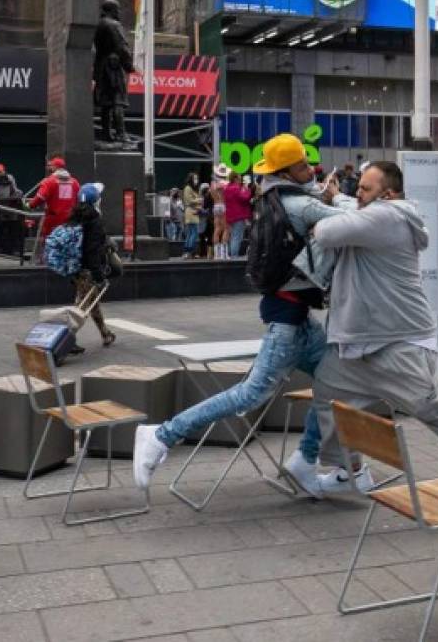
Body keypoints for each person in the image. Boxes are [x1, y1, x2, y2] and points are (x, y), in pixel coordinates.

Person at [133, 133, 357, 495]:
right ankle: (160, 436)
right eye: (302, 165)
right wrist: (339, 194)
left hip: (296, 317)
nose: (309, 168)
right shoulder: (302, 205)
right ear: (286, 170)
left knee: (338, 382)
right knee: (249, 395)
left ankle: (306, 461)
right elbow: (357, 218)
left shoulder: (274, 195)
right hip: (287, 320)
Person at [307, 161, 438, 537]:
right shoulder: (374, 214)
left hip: (399, 343)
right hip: (358, 343)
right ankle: (350, 471)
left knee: (436, 410)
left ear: (389, 195)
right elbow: (348, 211)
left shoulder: (388, 218)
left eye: (367, 190)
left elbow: (325, 231)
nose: (360, 194)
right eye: (359, 188)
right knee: (327, 393)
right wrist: (338, 195)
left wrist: (331, 205)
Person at [66, 183, 116, 347]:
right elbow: (92, 251)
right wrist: (99, 275)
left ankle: (105, 333)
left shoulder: (75, 216)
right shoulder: (94, 221)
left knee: (91, 302)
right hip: (88, 270)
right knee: (81, 307)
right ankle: (65, 340)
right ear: (96, 201)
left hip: (75, 267)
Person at [93, 0, 133, 144]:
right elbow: (122, 47)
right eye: (117, 9)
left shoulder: (98, 26)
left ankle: (106, 134)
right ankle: (121, 134)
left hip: (101, 67)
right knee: (118, 101)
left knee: (106, 103)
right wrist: (129, 65)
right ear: (112, 10)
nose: (119, 12)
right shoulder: (114, 25)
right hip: (113, 67)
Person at [26, 156, 81, 244]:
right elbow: (79, 199)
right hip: (70, 219)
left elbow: (40, 198)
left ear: (56, 167)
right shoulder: (74, 182)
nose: (49, 167)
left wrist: (29, 205)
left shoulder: (49, 182)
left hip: (53, 220)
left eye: (51, 165)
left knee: (51, 243)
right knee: (68, 243)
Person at [223, 170, 252, 258]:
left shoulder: (227, 188)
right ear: (235, 178)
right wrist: (247, 190)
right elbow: (245, 198)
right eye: (239, 177)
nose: (240, 179)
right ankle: (234, 256)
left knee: (233, 236)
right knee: (237, 237)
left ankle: (230, 254)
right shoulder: (236, 188)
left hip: (230, 216)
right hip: (238, 215)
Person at [211, 163, 230, 260]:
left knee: (217, 229)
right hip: (224, 205)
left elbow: (212, 194)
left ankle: (216, 255)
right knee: (226, 229)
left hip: (216, 206)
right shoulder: (226, 183)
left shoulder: (213, 184)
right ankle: (224, 254)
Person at [181, 173, 201, 258]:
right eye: (195, 178)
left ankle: (187, 252)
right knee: (194, 233)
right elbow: (189, 200)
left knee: (190, 233)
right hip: (191, 212)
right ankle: (189, 251)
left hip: (193, 212)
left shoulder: (191, 189)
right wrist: (199, 200)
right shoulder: (188, 188)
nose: (196, 180)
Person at [197, 182, 214, 259]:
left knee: (204, 237)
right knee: (208, 237)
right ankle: (208, 254)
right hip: (208, 220)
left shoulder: (203, 198)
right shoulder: (210, 196)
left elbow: (207, 209)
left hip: (205, 220)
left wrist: (201, 211)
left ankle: (206, 254)